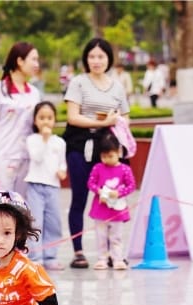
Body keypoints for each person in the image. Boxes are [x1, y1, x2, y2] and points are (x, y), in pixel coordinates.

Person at [62, 37, 129, 269]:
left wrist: (113, 123)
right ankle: (78, 251)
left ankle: (113, 252)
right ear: (86, 59)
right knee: (79, 199)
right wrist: (102, 121)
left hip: (107, 150)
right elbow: (72, 116)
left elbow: (124, 117)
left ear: (109, 58)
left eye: (101, 56)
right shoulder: (78, 83)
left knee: (111, 197)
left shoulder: (117, 86)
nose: (96, 61)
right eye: (92, 56)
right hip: (80, 145)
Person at [0, 41, 41, 198]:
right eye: (33, 59)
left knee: (22, 207)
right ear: (20, 61)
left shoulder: (34, 93)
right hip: (3, 157)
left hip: (28, 158)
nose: (37, 64)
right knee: (2, 204)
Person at [25, 101, 66, 271]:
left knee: (53, 222)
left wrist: (62, 171)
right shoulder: (32, 140)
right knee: (36, 222)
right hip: (35, 185)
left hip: (53, 187)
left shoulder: (60, 142)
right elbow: (37, 158)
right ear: (35, 120)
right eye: (41, 118)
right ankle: (35, 256)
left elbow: (61, 162)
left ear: (55, 120)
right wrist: (44, 139)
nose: (46, 122)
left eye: (49, 118)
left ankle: (51, 256)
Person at [86, 133, 135, 270]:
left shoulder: (125, 169)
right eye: (104, 156)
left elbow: (131, 186)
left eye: (110, 156)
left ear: (118, 152)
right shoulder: (98, 168)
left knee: (116, 236)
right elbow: (90, 183)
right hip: (101, 209)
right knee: (101, 236)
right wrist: (100, 191)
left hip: (117, 211)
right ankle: (102, 258)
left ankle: (117, 258)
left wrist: (119, 193)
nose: (107, 160)